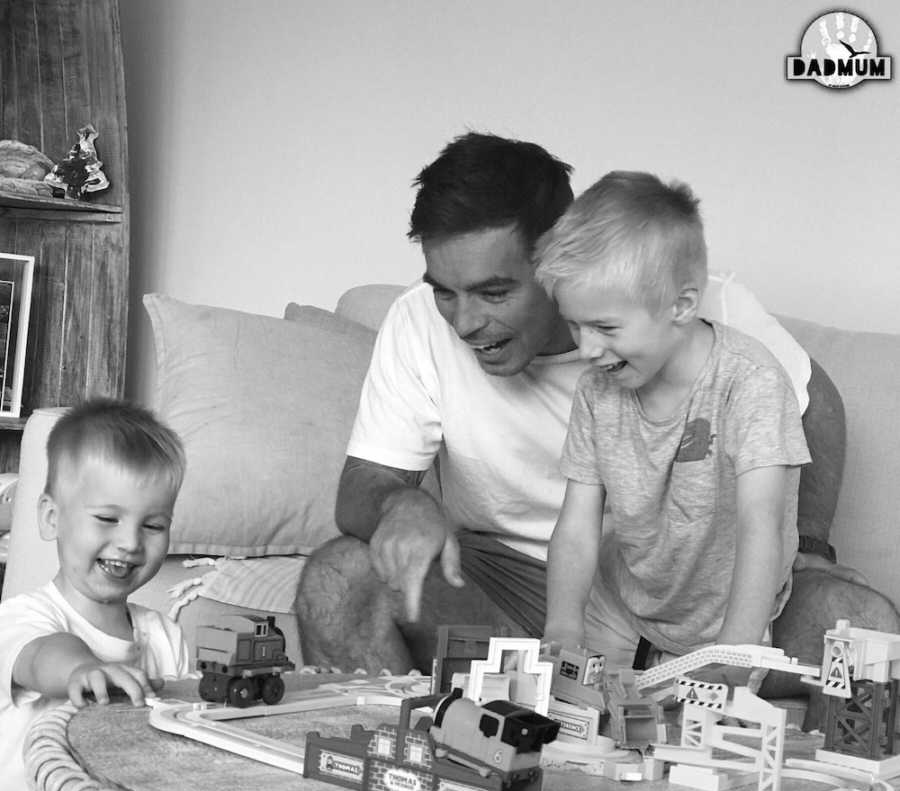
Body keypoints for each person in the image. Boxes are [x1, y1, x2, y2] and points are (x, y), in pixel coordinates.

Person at [295, 133, 899, 720]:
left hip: (715, 591)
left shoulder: (706, 320)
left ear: (558, 255)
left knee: (863, 626)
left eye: (495, 291)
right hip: (536, 592)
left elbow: (811, 401)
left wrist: (811, 549)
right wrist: (401, 503)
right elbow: (373, 484)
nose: (466, 322)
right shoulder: (557, 372)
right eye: (446, 294)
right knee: (338, 579)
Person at [535, 170, 809, 679]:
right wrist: (562, 627)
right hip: (622, 608)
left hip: (725, 623)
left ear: (681, 306)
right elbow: (577, 525)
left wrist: (733, 653)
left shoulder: (751, 382)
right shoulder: (597, 389)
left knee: (706, 739)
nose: (587, 348)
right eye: (575, 324)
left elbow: (760, 524)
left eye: (606, 327)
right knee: (580, 729)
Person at [0, 398, 192, 791]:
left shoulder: (165, 637)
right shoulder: (24, 617)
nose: (130, 542)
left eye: (153, 525)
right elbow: (42, 656)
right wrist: (84, 668)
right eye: (107, 518)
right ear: (50, 518)